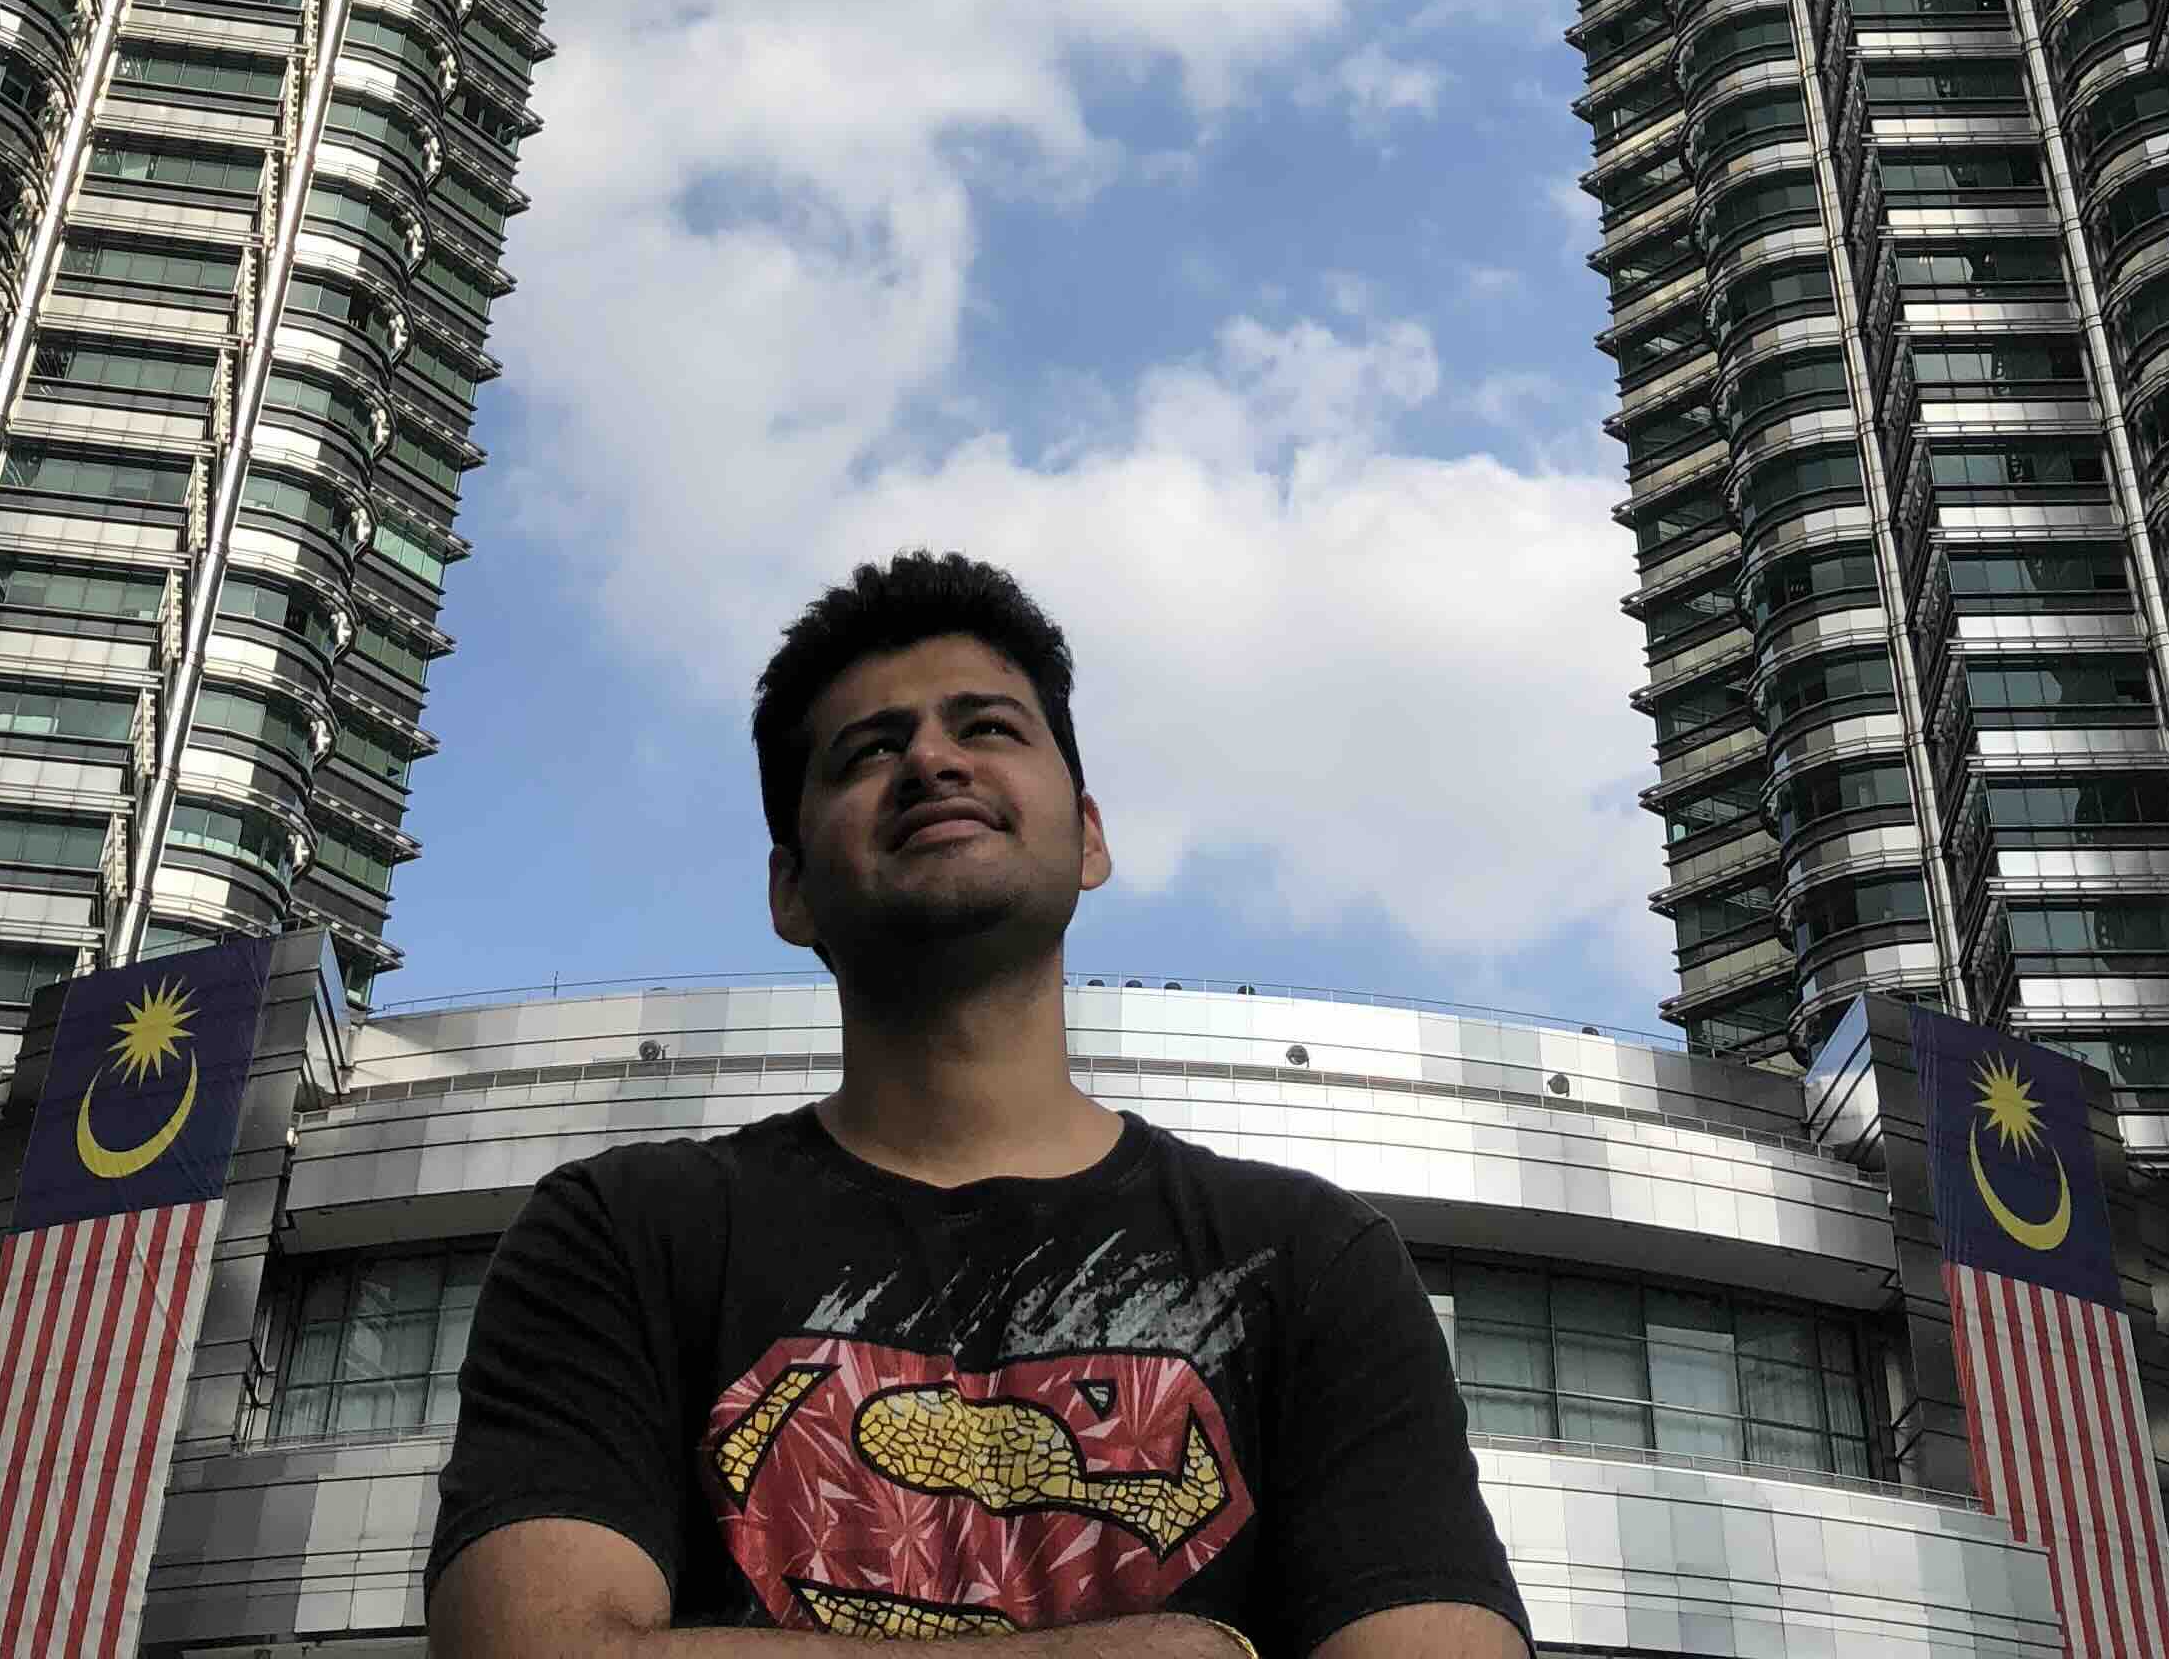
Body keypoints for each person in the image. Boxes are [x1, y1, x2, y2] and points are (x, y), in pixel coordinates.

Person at [427, 549, 1533, 1659]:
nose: (931, 762)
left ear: (1089, 834)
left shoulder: (1311, 1260)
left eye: (989, 728)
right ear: (791, 890)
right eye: (869, 750)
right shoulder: (622, 1233)